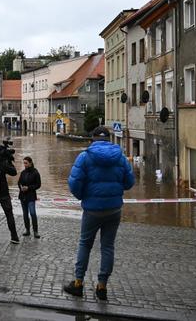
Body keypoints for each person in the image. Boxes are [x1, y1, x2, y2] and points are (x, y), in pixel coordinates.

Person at [63, 126, 135, 300]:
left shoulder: (85, 157)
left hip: (92, 210)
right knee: (108, 247)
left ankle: (78, 283)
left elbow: (74, 184)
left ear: (92, 139)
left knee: (85, 244)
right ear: (109, 139)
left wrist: (84, 197)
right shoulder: (121, 158)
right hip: (114, 209)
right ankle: (102, 287)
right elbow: (129, 182)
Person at [18, 156, 41, 238]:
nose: (25, 164)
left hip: (31, 196)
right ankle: (27, 230)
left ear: (30, 163)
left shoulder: (35, 172)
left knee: (32, 213)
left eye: (26, 163)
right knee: (25, 214)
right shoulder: (23, 173)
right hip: (22, 196)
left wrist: (29, 188)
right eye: (24, 163)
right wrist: (21, 187)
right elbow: (19, 182)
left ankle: (35, 231)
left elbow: (38, 185)